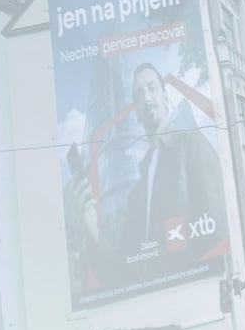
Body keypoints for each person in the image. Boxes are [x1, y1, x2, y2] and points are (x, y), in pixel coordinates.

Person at [75, 62, 226, 289]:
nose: (146, 98)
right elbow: (122, 273)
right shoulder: (138, 192)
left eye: (152, 88)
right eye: (138, 95)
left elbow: (218, 233)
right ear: (135, 111)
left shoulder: (192, 144)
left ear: (165, 98)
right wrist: (94, 236)